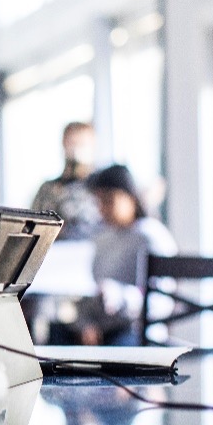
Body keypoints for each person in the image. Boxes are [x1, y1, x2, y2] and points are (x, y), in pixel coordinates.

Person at [54, 164, 177, 346]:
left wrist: (120, 296)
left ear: (131, 197)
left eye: (109, 200)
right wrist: (85, 324)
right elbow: (95, 293)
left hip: (138, 330)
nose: (103, 209)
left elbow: (161, 302)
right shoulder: (102, 238)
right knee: (55, 337)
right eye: (99, 202)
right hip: (104, 329)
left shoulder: (151, 237)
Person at [30, 121, 101, 240]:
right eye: (72, 143)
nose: (76, 149)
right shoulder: (48, 189)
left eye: (82, 144)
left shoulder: (103, 188)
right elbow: (33, 228)